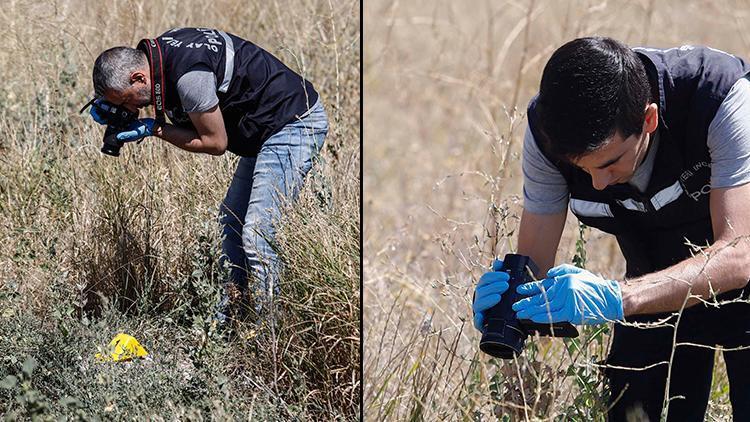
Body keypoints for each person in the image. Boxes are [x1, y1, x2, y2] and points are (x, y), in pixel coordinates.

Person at [472, 37, 750, 421]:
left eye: (609, 164)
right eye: (582, 169)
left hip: (740, 272)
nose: (598, 185)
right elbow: (534, 261)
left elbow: (740, 254)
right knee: (630, 408)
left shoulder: (719, 97)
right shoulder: (546, 135)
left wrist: (618, 298)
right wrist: (511, 302)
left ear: (649, 119)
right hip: (652, 272)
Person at [89, 27, 329, 323]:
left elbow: (215, 142)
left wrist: (154, 128)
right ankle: (230, 320)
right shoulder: (161, 56)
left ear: (138, 77)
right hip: (264, 131)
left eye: (126, 99)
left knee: (257, 232)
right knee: (232, 221)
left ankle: (272, 334)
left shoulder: (190, 77)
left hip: (293, 124)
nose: (131, 108)